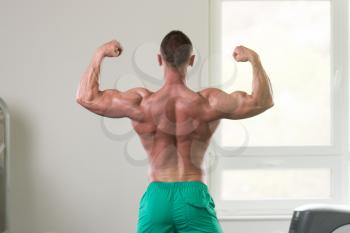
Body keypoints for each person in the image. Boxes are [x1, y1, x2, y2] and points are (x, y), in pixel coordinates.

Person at [76, 30, 274, 233]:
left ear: (159, 59)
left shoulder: (141, 103)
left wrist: (99, 54)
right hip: (193, 195)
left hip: (157, 198)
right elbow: (262, 101)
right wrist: (254, 59)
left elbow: (86, 97)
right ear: (192, 60)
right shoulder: (209, 102)